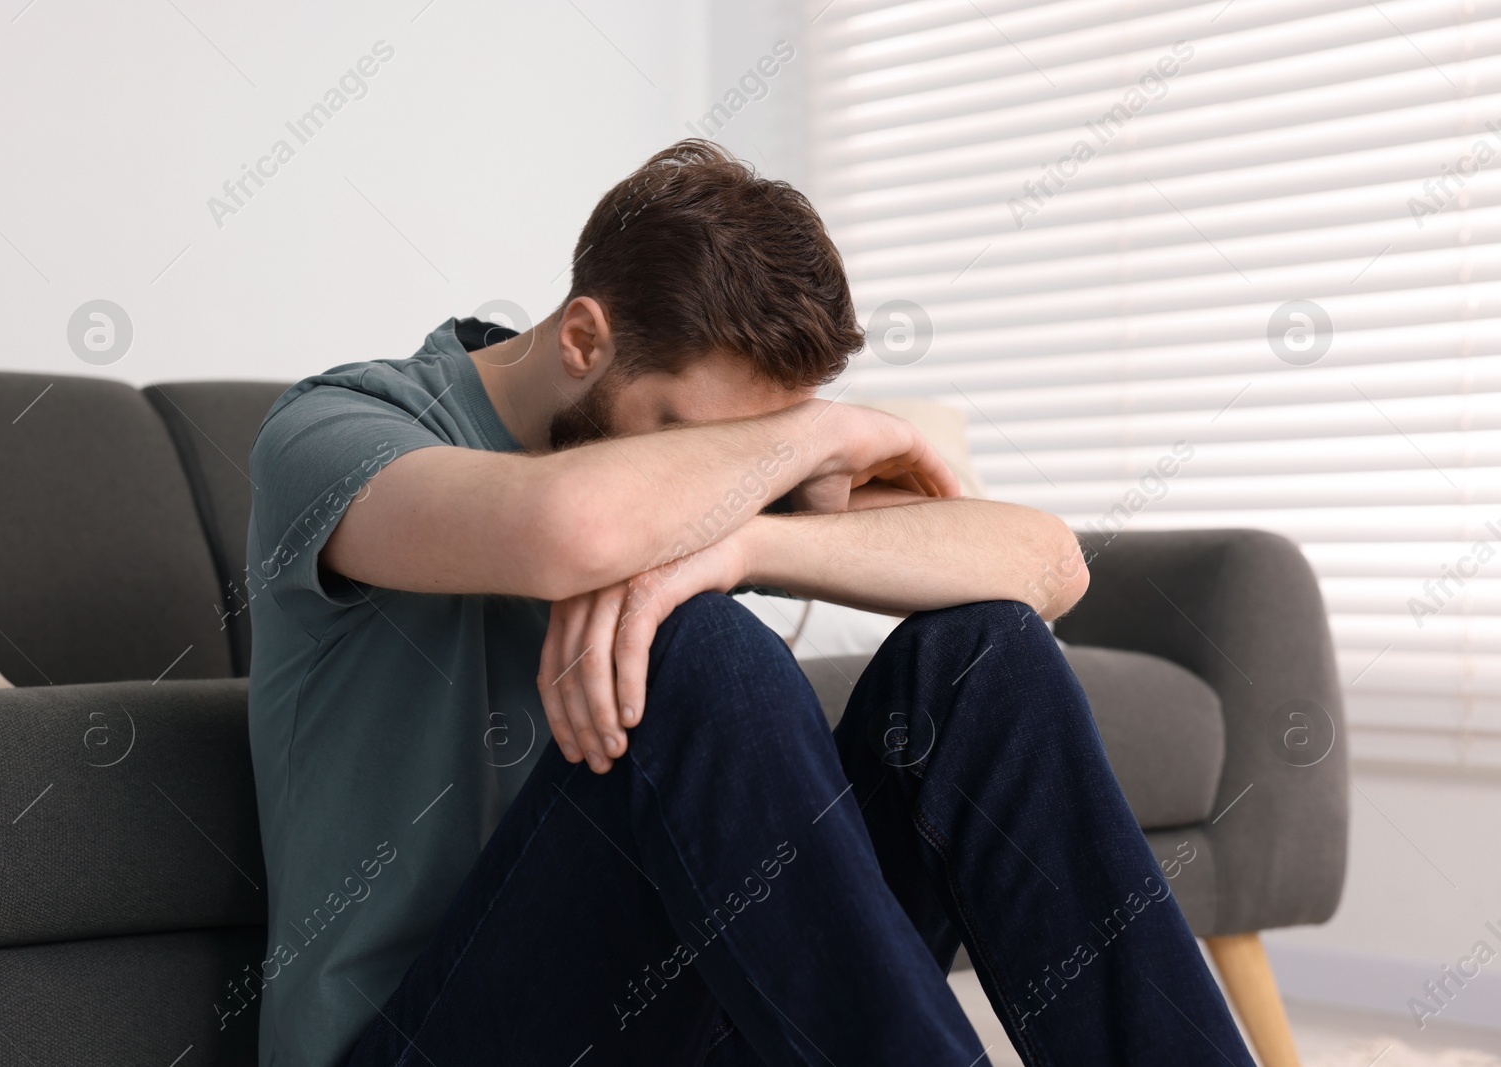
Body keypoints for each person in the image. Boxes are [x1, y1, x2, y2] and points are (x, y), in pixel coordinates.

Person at [245, 140, 1255, 1066]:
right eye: (687, 437)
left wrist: (749, 534)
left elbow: (1045, 564)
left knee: (980, 655)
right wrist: (809, 443)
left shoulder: (716, 471)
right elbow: (569, 531)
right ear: (586, 339)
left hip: (689, 1020)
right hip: (425, 1041)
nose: (722, 472)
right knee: (701, 651)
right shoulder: (338, 430)